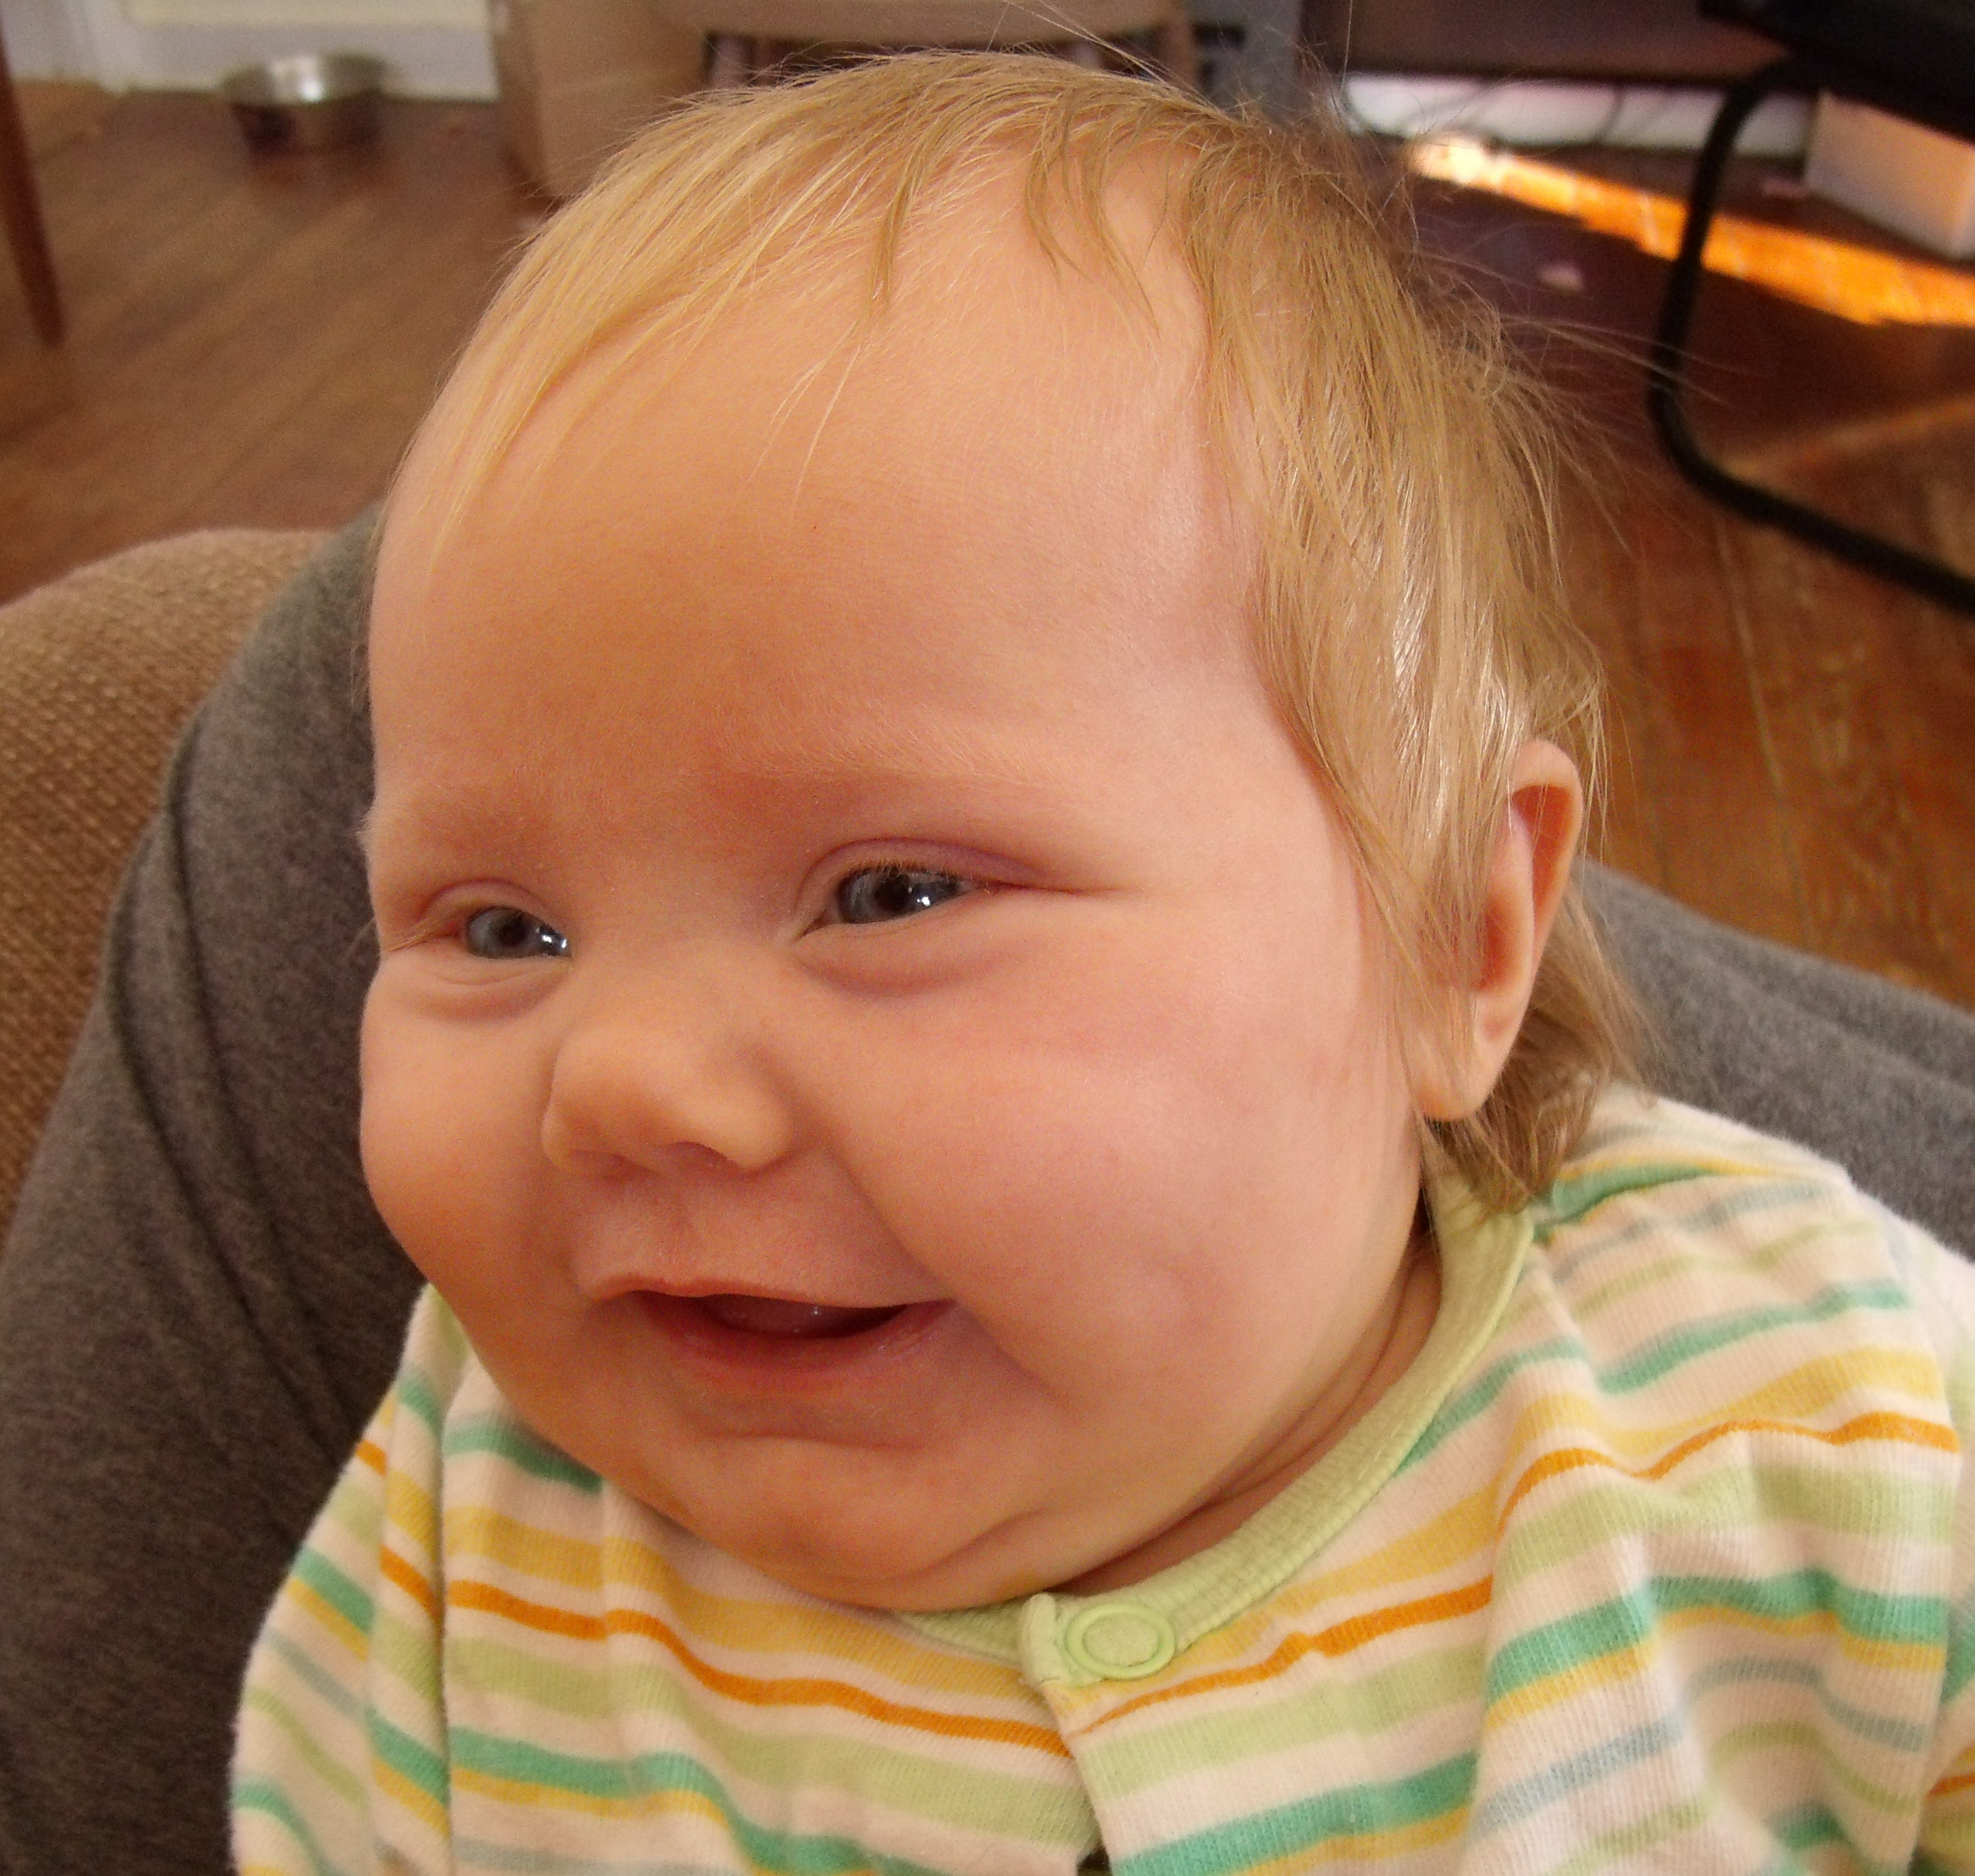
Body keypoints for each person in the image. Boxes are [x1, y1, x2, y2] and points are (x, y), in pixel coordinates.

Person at [5, 51, 1975, 1876]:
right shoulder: (477, 1523)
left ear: (1458, 933)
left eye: (891, 897)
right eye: (503, 931)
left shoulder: (1826, 1431)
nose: (620, 1082)